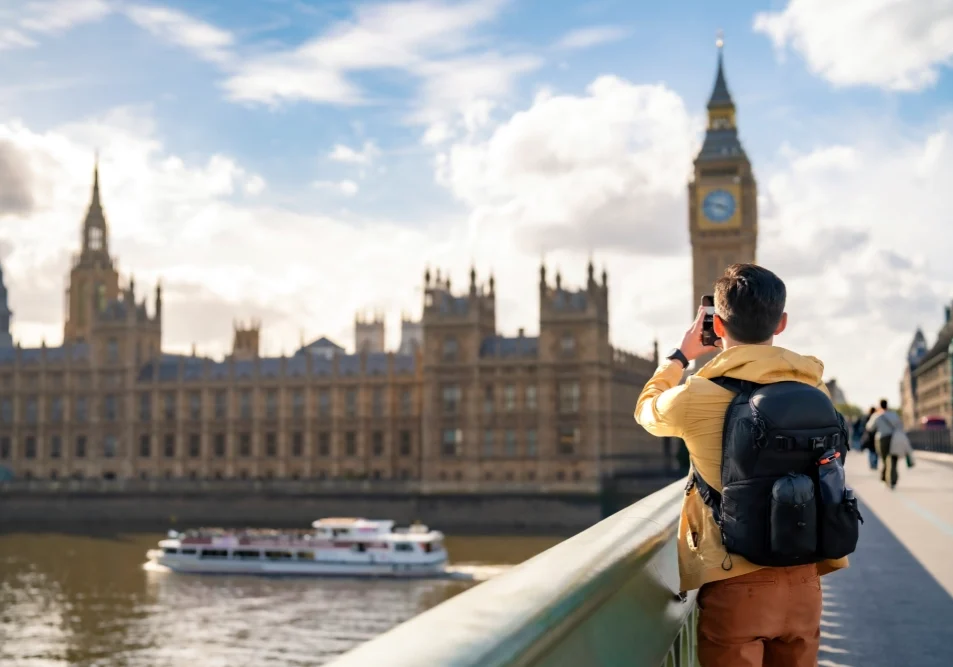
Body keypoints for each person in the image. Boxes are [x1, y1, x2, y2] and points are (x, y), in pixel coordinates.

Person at [635, 264, 849, 667]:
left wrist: (681, 355)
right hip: (806, 576)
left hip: (734, 577)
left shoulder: (696, 395)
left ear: (716, 323)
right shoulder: (814, 386)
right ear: (781, 323)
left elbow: (646, 410)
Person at [866, 399, 911, 488]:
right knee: (893, 458)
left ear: (880, 405)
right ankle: (892, 479)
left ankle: (886, 477)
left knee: (885, 459)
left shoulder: (877, 415)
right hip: (894, 438)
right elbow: (900, 426)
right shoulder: (894, 415)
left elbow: (869, 427)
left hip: (882, 438)